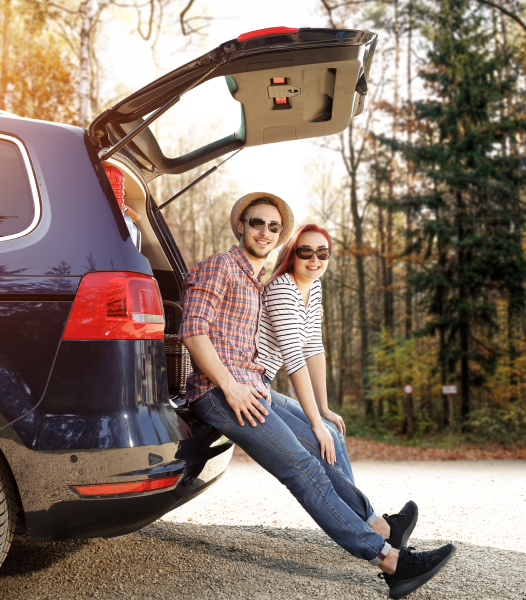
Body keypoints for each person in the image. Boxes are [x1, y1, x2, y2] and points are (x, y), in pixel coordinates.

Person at [178, 193, 455, 600]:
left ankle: (380, 527)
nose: (265, 232)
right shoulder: (220, 266)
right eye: (257, 223)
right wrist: (230, 386)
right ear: (240, 226)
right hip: (221, 393)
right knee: (305, 469)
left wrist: (314, 411)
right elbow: (192, 330)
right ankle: (392, 562)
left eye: (274, 227)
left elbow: (305, 346)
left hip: (254, 387)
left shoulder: (256, 279)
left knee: (321, 443)